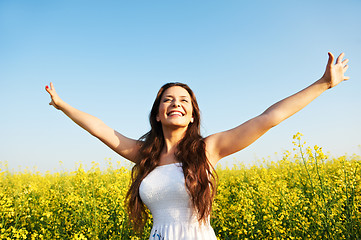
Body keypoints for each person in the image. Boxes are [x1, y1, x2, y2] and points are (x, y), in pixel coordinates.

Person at [45, 52, 349, 239]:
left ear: (192, 116)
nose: (175, 104)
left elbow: (268, 118)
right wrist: (62, 105)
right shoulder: (145, 155)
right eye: (168, 100)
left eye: (183, 101)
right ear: (157, 113)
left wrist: (323, 83)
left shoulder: (208, 149)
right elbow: (100, 129)